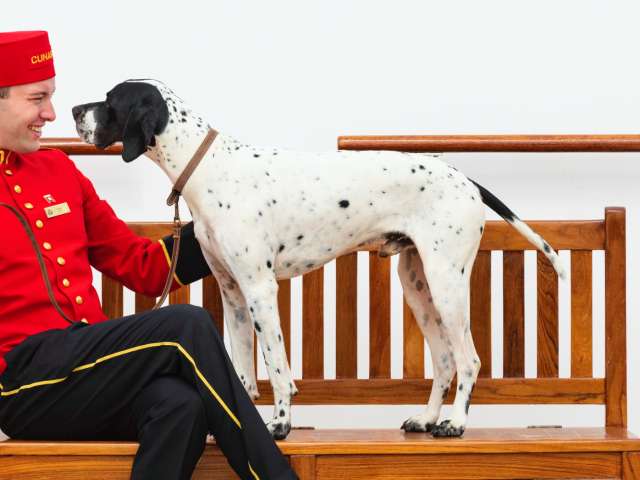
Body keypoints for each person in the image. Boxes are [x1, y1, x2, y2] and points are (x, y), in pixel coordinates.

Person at [0, 30, 297, 480]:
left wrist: (229, 220)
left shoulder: (58, 168)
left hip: (89, 372)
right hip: (24, 385)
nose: (51, 113)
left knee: (181, 406)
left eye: (51, 97)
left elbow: (144, 268)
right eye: (37, 99)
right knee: (186, 323)